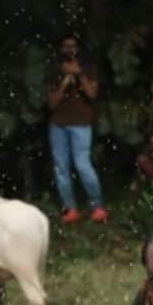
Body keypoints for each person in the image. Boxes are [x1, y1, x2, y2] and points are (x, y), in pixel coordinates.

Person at [45, 32, 108, 225]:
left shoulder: (88, 68)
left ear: (78, 49)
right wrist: (65, 81)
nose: (69, 50)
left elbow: (92, 94)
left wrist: (78, 74)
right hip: (58, 125)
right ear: (61, 49)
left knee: (82, 164)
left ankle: (98, 207)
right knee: (61, 168)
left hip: (81, 124)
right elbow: (52, 104)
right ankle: (71, 209)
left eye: (72, 46)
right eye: (65, 46)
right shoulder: (55, 70)